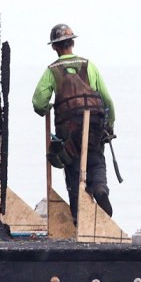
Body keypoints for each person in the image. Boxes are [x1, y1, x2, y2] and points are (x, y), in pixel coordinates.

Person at [32, 23, 115, 226]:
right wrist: (109, 124)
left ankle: (79, 218)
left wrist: (45, 109)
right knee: (95, 160)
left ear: (54, 47)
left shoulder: (52, 70)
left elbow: (38, 103)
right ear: (73, 43)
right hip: (94, 126)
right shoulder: (89, 65)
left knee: (74, 170)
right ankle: (100, 188)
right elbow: (107, 100)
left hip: (68, 130)